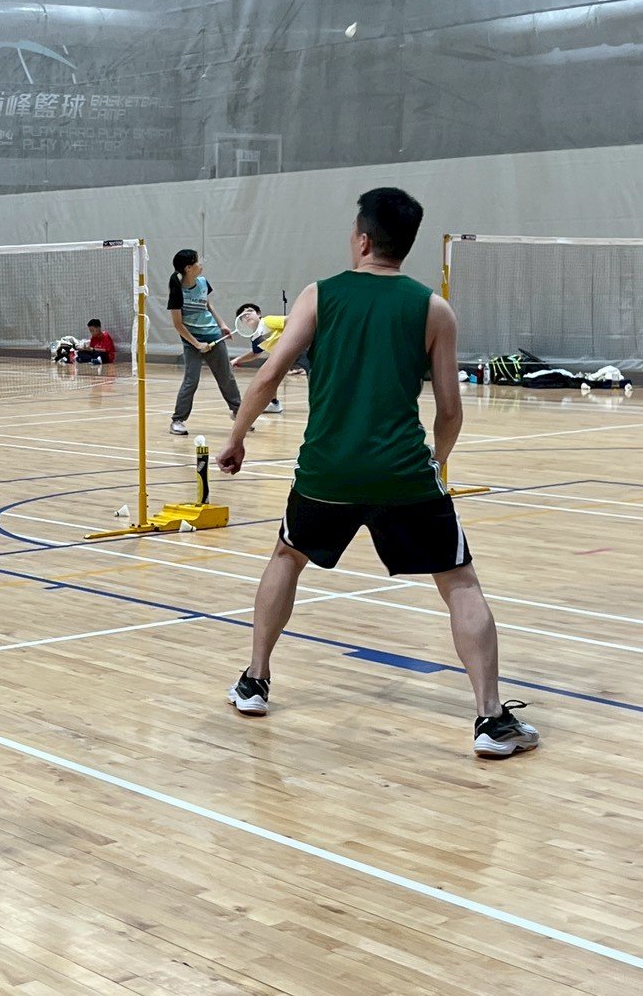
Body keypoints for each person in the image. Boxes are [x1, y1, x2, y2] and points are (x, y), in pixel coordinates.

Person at [215, 187, 539, 760]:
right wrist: (437, 464)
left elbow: (267, 376)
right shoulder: (433, 310)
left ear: (363, 240)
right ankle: (491, 719)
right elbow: (449, 410)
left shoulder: (319, 295)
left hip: (326, 473)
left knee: (287, 557)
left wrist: (236, 437)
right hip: (403, 474)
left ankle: (254, 682)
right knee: (459, 582)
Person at [167, 249, 244, 436]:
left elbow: (208, 305)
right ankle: (178, 420)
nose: (200, 265)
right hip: (191, 340)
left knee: (226, 377)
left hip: (213, 336)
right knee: (191, 381)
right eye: (197, 262)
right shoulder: (177, 292)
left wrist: (222, 325)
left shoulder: (202, 282)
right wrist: (196, 344)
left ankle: (239, 414)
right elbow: (178, 324)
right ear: (188, 268)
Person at [229, 302, 306, 413]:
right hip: (283, 357)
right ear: (241, 322)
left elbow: (291, 321)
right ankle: (274, 404)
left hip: (299, 349)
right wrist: (237, 360)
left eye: (250, 311)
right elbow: (255, 353)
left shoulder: (267, 321)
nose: (247, 315)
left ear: (259, 314)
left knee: (316, 376)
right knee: (269, 376)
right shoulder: (255, 338)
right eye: (243, 316)